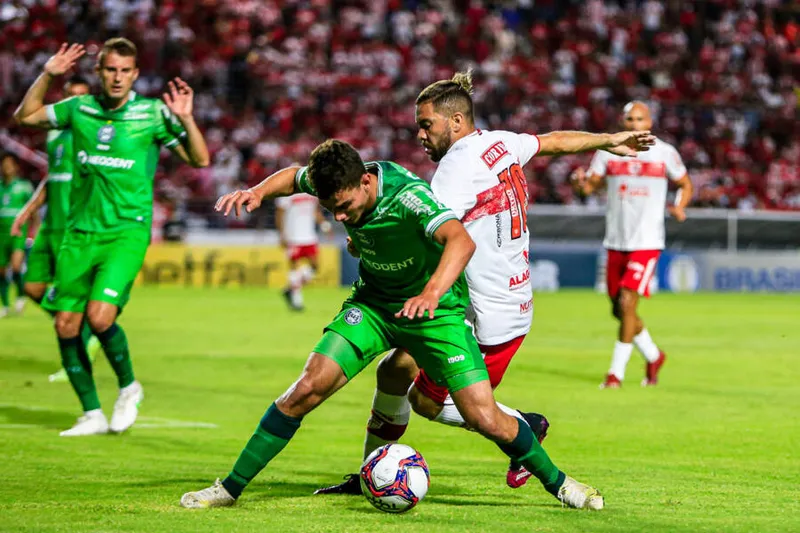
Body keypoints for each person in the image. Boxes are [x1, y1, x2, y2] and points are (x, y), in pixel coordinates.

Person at [180, 139, 604, 510]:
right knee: (305, 389)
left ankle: (562, 484)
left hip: (435, 313)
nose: (339, 218)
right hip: (374, 307)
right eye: (331, 209)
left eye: (344, 207)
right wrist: (257, 191)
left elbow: (460, 240)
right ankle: (229, 489)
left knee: (484, 416)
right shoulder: (335, 177)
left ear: (366, 181)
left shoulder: (408, 196)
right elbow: (293, 177)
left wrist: (432, 293)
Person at [315, 71, 658, 495]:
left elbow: (431, 234)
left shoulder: (456, 169)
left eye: (427, 124)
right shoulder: (501, 142)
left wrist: (365, 241)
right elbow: (552, 141)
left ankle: (524, 428)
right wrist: (606, 139)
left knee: (431, 402)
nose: (420, 134)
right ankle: (369, 473)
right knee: (393, 371)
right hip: (504, 299)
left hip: (488, 314)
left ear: (456, 121)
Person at [13, 39, 209, 436]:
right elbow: (26, 115)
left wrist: (187, 119)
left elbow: (200, 159)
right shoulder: (79, 109)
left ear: (135, 74)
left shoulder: (152, 113)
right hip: (79, 233)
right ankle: (92, 414)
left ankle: (129, 388)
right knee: (65, 324)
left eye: (124, 71)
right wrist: (48, 74)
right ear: (98, 72)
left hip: (126, 232)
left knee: (99, 316)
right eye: (110, 70)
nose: (117, 78)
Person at [571, 101, 693, 389]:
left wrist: (679, 206)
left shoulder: (665, 153)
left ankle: (615, 374)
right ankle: (654, 356)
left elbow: (685, 184)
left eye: (640, 119)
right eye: (630, 119)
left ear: (649, 122)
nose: (635, 124)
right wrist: (578, 183)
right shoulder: (608, 151)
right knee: (619, 310)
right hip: (616, 241)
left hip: (647, 241)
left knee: (627, 303)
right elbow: (590, 187)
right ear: (622, 122)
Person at [11, 76, 102, 383]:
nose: (75, 102)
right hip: (51, 224)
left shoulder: (91, 134)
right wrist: (28, 210)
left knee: (68, 299)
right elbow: (53, 177)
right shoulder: (54, 134)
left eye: (81, 97)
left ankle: (76, 357)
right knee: (32, 287)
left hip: (75, 226)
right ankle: (85, 330)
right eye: (70, 96)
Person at [274, 192, 332, 311]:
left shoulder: (312, 191)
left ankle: (290, 289)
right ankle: (297, 302)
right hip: (293, 237)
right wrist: (281, 234)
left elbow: (315, 211)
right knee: (294, 268)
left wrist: (325, 225)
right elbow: (279, 214)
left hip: (309, 236)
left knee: (315, 266)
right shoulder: (287, 193)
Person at [0, 153, 35, 317]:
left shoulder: (24, 186)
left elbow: (34, 210)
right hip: (1, 233)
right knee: (1, 270)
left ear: (15, 167)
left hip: (18, 232)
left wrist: (35, 230)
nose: (7, 168)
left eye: (9, 164)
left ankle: (20, 296)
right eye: (4, 164)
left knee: (16, 266)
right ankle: (5, 305)